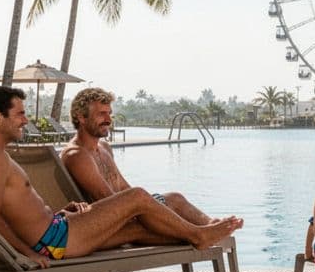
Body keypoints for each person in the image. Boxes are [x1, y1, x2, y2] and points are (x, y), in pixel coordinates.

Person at [0, 85, 241, 267]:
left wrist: (60, 212)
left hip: (58, 229)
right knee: (138, 197)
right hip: (54, 242)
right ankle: (199, 235)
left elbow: (8, 211)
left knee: (146, 225)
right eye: (20, 113)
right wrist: (24, 255)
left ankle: (201, 233)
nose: (25, 119)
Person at [61, 87, 233, 231]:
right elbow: (105, 198)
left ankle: (212, 226)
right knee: (157, 201)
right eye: (101, 114)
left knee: (175, 198)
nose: (108, 120)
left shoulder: (104, 148)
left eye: (109, 114)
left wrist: (150, 205)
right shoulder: (77, 155)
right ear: (81, 117)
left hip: (129, 211)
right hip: (113, 223)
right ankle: (202, 233)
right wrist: (147, 208)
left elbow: (122, 186)